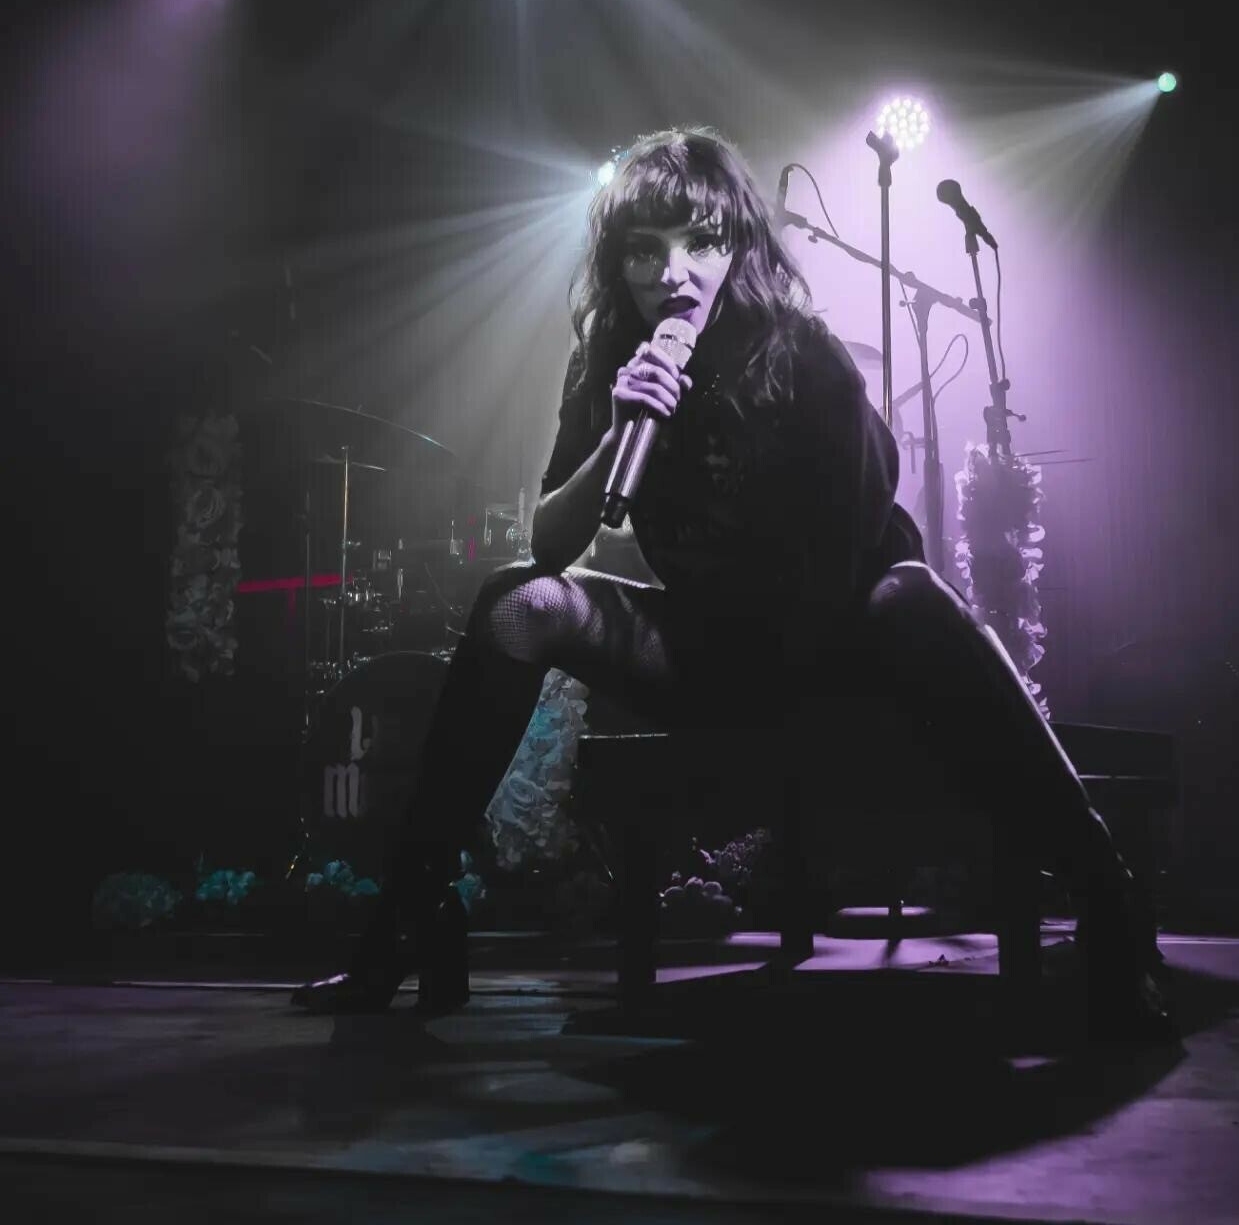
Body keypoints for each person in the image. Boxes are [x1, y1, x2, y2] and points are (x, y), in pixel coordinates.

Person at [293, 126, 1172, 1038]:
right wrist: (619, 429)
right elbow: (551, 543)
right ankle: (413, 913)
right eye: (645, 250)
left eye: (700, 243)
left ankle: (1108, 899)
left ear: (738, 247)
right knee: (519, 600)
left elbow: (853, 547)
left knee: (910, 594)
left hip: (839, 647)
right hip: (713, 647)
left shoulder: (804, 356)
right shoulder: (610, 362)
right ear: (619, 263)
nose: (672, 273)